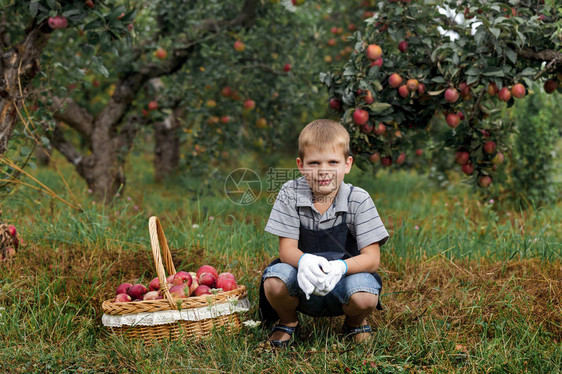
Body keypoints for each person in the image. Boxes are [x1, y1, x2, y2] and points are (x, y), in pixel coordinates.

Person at [258, 119, 389, 347]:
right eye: (314, 163)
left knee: (366, 295)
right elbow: (287, 250)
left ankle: (354, 323)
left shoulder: (358, 199)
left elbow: (372, 259)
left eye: (333, 162)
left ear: (347, 164)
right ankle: (288, 322)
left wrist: (341, 267)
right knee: (274, 281)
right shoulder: (290, 193)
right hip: (302, 278)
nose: (323, 171)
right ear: (301, 164)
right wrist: (305, 260)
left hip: (346, 280)